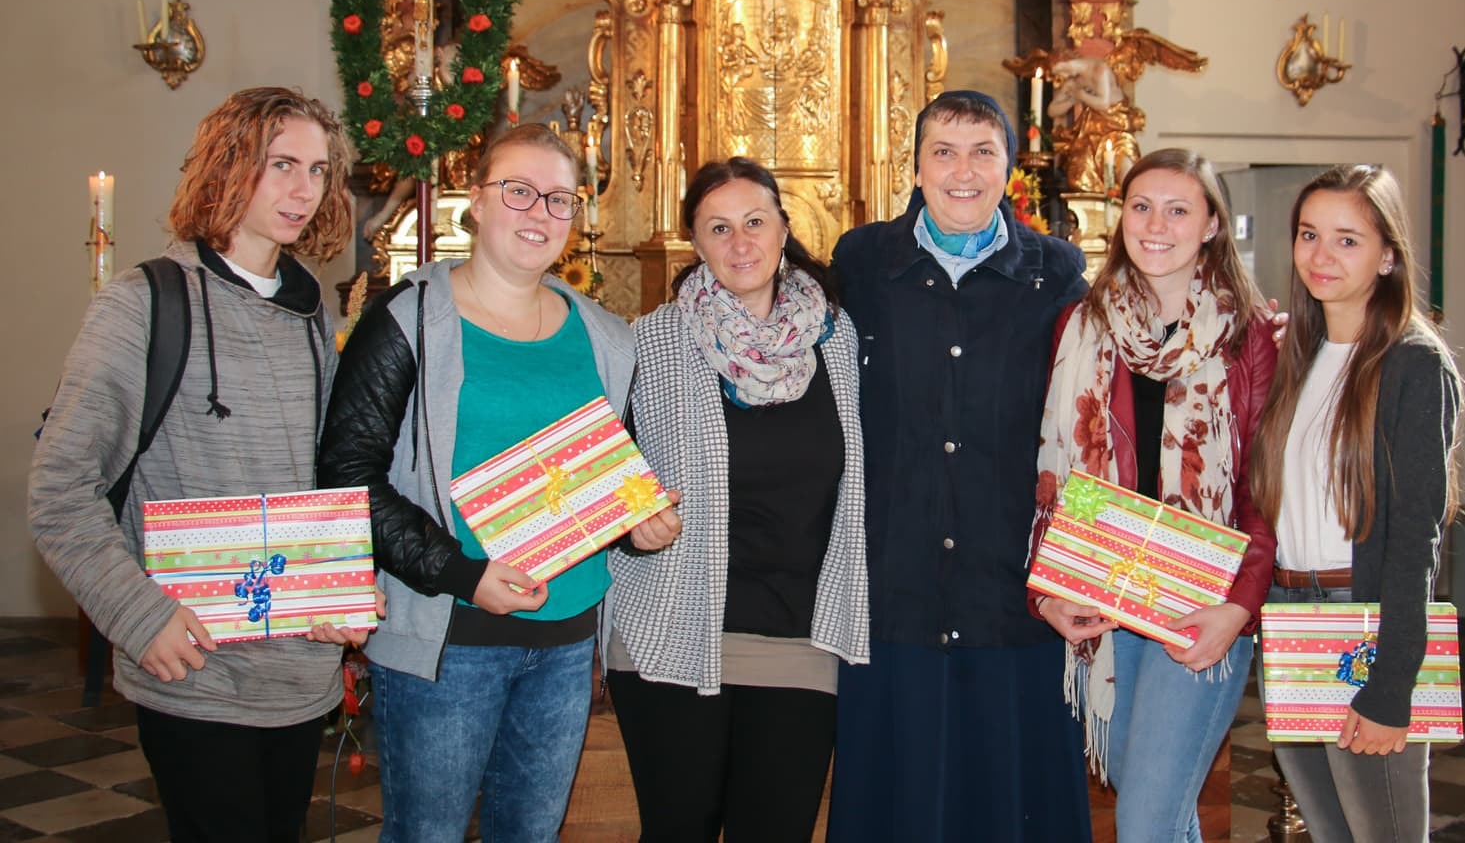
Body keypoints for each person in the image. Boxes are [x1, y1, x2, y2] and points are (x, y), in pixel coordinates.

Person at [317, 123, 667, 843]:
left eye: (559, 199)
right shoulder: (409, 319)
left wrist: (639, 526)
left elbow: (606, 479)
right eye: (518, 191)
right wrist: (464, 574)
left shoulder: (605, 335)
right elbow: (347, 477)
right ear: (474, 202)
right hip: (449, 637)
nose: (540, 213)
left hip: (566, 640)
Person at [29, 87, 363, 842]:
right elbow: (60, 489)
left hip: (297, 674)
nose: (304, 190)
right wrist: (139, 616)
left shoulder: (316, 316)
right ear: (228, 166)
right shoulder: (144, 303)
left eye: (318, 170)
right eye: (281, 164)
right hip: (194, 669)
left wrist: (347, 582)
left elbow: (327, 479)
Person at [828, 90, 1093, 841]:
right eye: (943, 153)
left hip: (1010, 589)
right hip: (895, 584)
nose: (963, 171)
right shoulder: (863, 262)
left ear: (1010, 168)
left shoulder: (1055, 272)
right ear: (915, 168)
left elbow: (1092, 413)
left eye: (983, 152)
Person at [606, 157, 869, 843]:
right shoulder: (650, 341)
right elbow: (600, 475)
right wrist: (632, 523)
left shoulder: (839, 341)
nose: (741, 242)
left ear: (784, 228)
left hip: (800, 637)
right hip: (671, 627)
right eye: (718, 228)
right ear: (695, 242)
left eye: (755, 222)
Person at [1031, 148, 1277, 841]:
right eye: (1141, 207)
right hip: (1106, 601)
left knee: (1145, 821)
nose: (1157, 225)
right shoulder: (1080, 326)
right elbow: (1049, 476)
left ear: (1212, 225)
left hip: (1203, 603)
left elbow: (1265, 487)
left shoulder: (1249, 335)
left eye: (1178, 209)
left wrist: (1240, 607)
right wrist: (1046, 592)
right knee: (1158, 813)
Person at [1249, 164, 1462, 843]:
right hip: (1290, 618)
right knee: (1329, 831)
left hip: (1364, 624)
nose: (1321, 255)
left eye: (1348, 240)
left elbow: (1416, 539)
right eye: (1310, 234)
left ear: (1388, 255)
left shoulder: (1412, 363)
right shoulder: (1298, 357)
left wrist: (1391, 684)